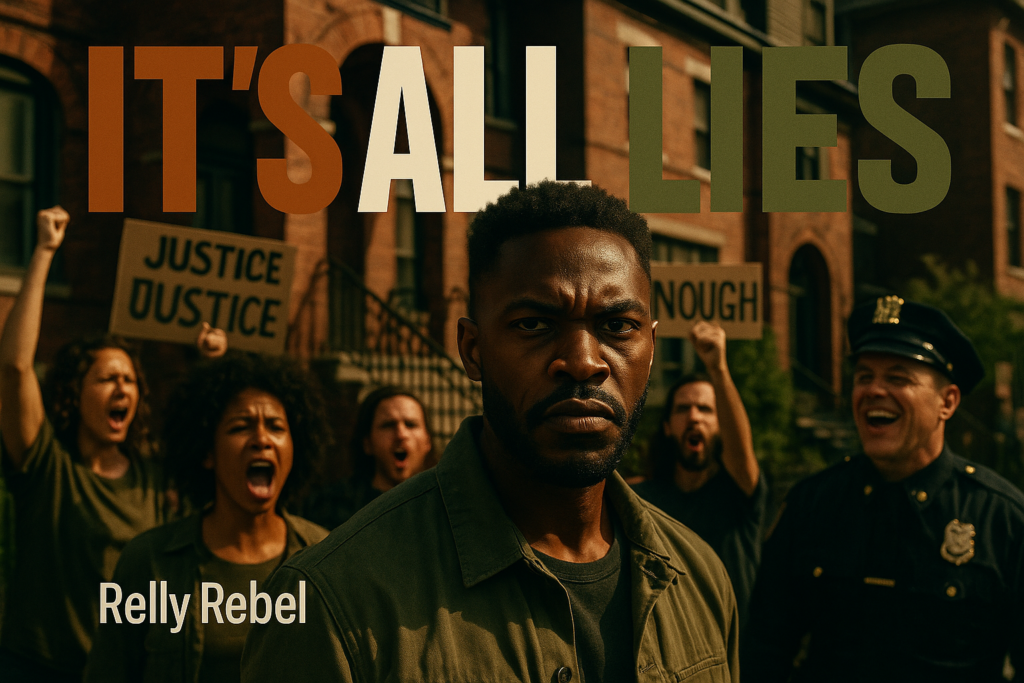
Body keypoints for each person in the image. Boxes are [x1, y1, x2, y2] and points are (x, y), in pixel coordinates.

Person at [242, 181, 739, 683]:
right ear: (472, 350)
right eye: (534, 325)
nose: (584, 362)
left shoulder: (701, 579)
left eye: (617, 326)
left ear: (651, 349)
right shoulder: (335, 603)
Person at [743, 296, 1024, 682]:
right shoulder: (813, 504)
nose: (874, 390)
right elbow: (764, 650)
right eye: (863, 376)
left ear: (948, 402)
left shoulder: (1001, 518)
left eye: (897, 377)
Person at [84, 352, 332, 683]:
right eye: (241, 427)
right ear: (206, 453)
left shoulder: (327, 558)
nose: (262, 440)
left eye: (276, 427)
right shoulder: (145, 561)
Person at [0, 207, 166, 682]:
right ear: (75, 391)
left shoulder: (151, 474)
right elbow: (13, 367)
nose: (123, 390)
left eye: (130, 380)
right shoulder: (47, 467)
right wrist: (45, 252)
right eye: (108, 378)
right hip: (39, 670)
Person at [632, 320, 767, 629]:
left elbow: (741, 453)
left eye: (706, 410)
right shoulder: (644, 501)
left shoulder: (738, 493)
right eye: (683, 409)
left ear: (722, 427)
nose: (694, 416)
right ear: (667, 427)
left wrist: (718, 369)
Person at [301, 386, 435, 529]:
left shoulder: (443, 505)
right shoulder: (331, 507)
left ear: (427, 441)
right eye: (388, 425)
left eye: (410, 425)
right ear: (367, 444)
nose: (401, 434)